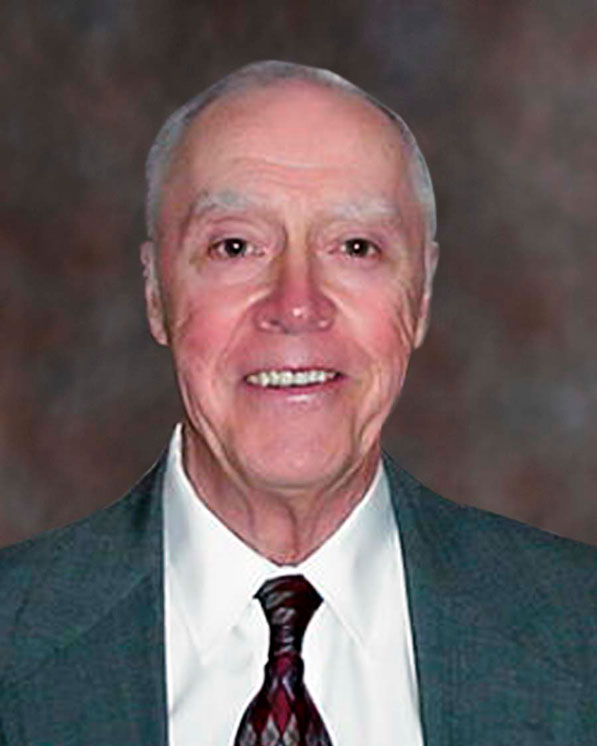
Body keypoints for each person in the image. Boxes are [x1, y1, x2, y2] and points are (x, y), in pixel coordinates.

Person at [1, 61, 596, 746]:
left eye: (355, 247)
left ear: (422, 296)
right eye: (235, 247)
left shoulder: (579, 630)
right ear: (156, 293)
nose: (296, 305)